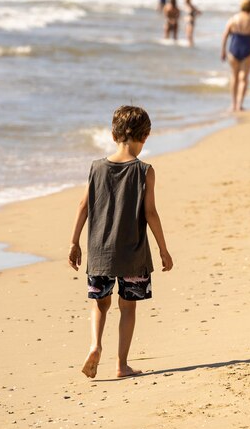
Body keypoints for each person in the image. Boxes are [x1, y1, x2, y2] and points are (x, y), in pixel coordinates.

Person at [68, 105, 173, 378]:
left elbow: (83, 206)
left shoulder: (96, 168)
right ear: (146, 136)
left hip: (99, 252)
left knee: (99, 304)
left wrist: (74, 242)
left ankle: (94, 345)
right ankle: (121, 365)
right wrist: (163, 249)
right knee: (128, 307)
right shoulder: (145, 171)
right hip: (133, 254)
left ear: (113, 135)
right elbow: (150, 213)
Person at [221, 0, 250, 111]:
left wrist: (223, 51)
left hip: (234, 47)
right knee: (244, 78)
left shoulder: (234, 18)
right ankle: (240, 104)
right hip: (248, 48)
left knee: (234, 76)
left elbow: (225, 35)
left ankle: (233, 104)